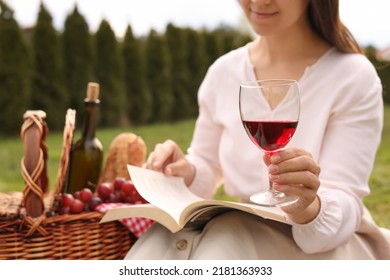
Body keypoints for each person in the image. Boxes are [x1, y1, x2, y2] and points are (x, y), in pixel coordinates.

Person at [125, 0, 390, 259]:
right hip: (239, 230)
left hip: (324, 247)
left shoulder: (353, 76)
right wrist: (187, 169)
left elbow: (344, 203)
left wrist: (306, 204)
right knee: (156, 246)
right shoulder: (224, 72)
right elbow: (207, 163)